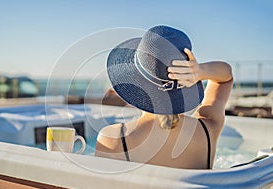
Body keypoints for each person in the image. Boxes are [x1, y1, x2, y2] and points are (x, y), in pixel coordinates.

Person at [95, 25, 233, 169]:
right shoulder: (209, 128)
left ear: (135, 84)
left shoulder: (114, 138)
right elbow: (225, 78)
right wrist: (200, 71)